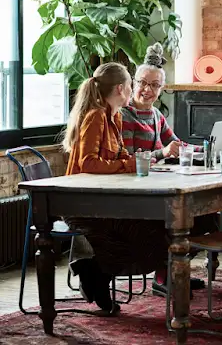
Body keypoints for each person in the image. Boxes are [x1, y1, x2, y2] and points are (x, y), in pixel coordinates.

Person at [62, 62, 170, 313]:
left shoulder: (115, 116)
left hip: (105, 200)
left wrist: (135, 162)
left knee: (155, 231)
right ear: (121, 89)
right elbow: (87, 163)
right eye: (133, 84)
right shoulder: (96, 116)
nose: (135, 89)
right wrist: (128, 165)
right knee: (143, 233)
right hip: (82, 204)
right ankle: (96, 277)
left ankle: (95, 274)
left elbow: (119, 157)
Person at [121, 43, 219, 294]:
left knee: (206, 217)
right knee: (181, 219)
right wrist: (161, 153)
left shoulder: (155, 115)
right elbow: (130, 159)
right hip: (134, 191)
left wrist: (208, 149)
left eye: (154, 85)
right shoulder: (125, 115)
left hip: (158, 186)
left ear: (161, 90)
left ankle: (169, 272)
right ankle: (164, 275)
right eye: (143, 82)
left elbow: (177, 144)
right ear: (133, 82)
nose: (147, 89)